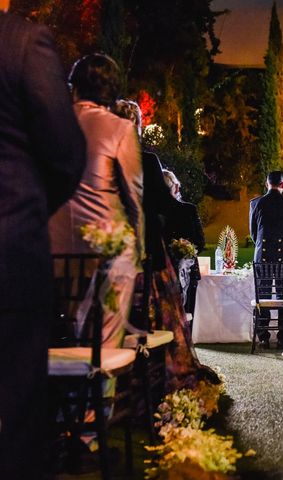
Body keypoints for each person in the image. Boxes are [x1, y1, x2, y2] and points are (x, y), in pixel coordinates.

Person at [0, 3, 87, 477]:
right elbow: (65, 154)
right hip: (9, 253)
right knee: (18, 415)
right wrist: (28, 210)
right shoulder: (22, 42)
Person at [111, 100, 218, 390]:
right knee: (157, 314)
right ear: (138, 126)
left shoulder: (103, 157)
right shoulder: (145, 160)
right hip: (145, 250)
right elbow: (161, 203)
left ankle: (117, 377)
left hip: (110, 249)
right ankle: (153, 376)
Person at [49, 53, 144, 349]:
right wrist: (140, 250)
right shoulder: (120, 128)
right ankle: (100, 377)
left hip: (50, 250)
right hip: (105, 250)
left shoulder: (46, 124)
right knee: (123, 263)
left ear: (73, 87)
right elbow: (134, 198)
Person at [249, 171, 283, 348]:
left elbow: (253, 233)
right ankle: (282, 337)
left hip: (262, 256)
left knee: (262, 295)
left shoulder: (256, 203)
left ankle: (263, 336)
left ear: (267, 184)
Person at [162, 169, 206, 314]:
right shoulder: (189, 210)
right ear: (175, 186)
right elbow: (200, 242)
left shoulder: (153, 212)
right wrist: (187, 250)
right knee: (187, 315)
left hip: (163, 271)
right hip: (186, 271)